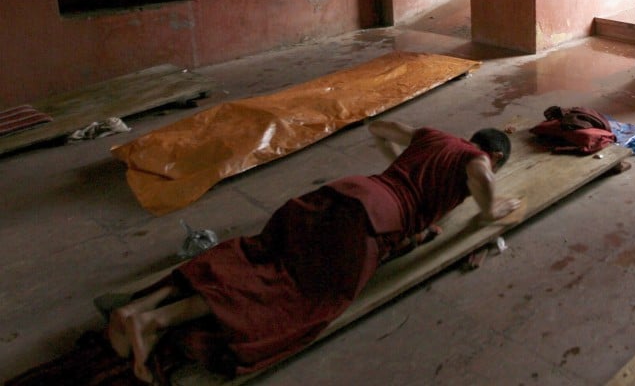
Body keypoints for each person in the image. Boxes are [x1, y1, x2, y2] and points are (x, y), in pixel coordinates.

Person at [106, 120, 520, 383]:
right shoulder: (479, 161)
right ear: (495, 154)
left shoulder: (433, 134)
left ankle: (147, 310)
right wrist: (494, 208)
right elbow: (480, 178)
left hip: (344, 191)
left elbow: (379, 128)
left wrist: (399, 173)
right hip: (367, 225)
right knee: (292, 294)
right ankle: (157, 318)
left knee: (262, 255)